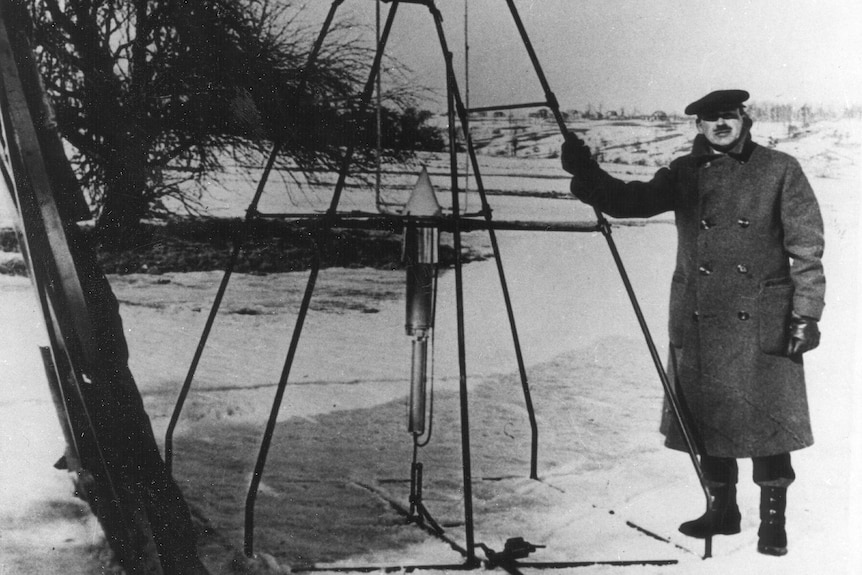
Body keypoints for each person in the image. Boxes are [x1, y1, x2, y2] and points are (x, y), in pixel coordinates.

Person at [560, 89, 825, 557]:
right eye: (710, 119)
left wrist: (805, 315)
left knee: (766, 421)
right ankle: (721, 510)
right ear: (698, 127)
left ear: (745, 119)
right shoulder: (685, 172)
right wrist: (586, 172)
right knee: (708, 414)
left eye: (728, 116)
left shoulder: (780, 169)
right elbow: (631, 201)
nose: (720, 125)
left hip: (760, 317)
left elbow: (807, 248)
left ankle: (772, 523)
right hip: (700, 314)